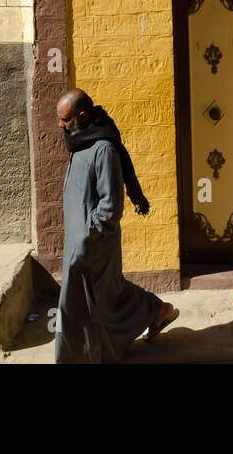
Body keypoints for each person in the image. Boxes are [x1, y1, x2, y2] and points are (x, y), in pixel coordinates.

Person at [54, 88, 179, 363]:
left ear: (83, 116)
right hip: (78, 241)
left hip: (94, 243)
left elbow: (110, 206)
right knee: (86, 302)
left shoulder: (104, 149)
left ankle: (158, 310)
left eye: (65, 120)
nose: (60, 126)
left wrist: (87, 237)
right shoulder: (78, 142)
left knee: (106, 300)